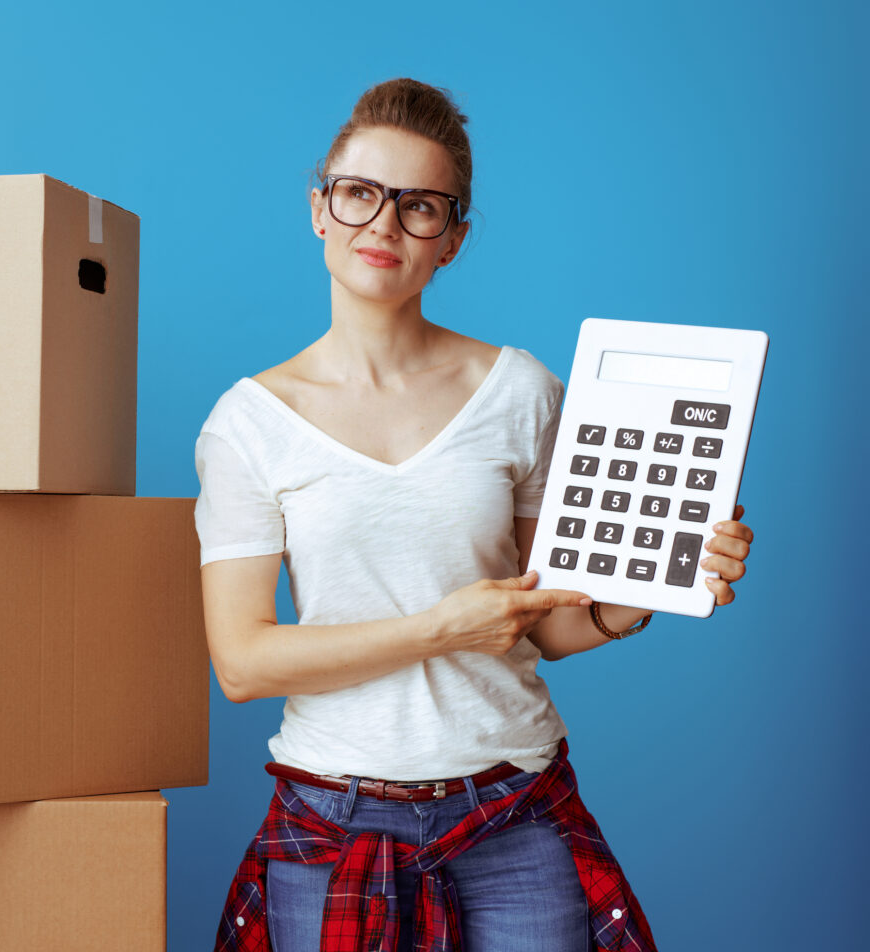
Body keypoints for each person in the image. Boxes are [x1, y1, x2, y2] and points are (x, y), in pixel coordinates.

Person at [195, 78, 754, 952]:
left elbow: (548, 621)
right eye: (360, 194)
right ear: (319, 209)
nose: (383, 223)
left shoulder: (520, 392)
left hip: (511, 808)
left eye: (420, 206)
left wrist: (649, 585)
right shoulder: (248, 423)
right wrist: (443, 627)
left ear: (452, 239)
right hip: (333, 819)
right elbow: (241, 660)